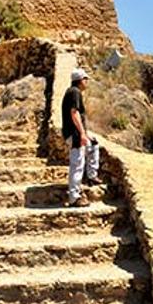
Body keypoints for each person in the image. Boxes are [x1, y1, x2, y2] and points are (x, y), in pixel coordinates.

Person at [61, 69, 100, 206]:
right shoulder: (75, 92)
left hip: (77, 133)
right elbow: (74, 113)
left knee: (93, 145)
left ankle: (91, 176)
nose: (87, 82)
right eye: (85, 79)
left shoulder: (72, 92)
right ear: (80, 80)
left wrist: (86, 134)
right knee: (77, 163)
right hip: (75, 134)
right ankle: (74, 196)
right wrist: (82, 134)